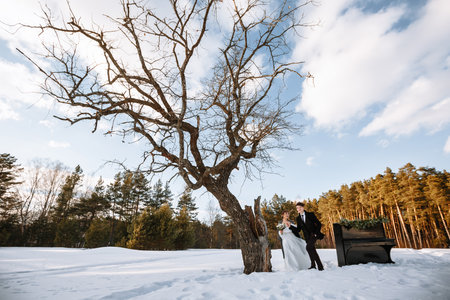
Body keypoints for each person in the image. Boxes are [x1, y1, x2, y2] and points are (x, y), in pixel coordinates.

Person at [287, 202, 325, 271]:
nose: (298, 209)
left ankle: (319, 266)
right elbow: (298, 230)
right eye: (297, 208)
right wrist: (290, 227)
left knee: (308, 247)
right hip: (307, 237)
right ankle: (315, 266)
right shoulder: (298, 218)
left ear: (303, 208)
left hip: (314, 234)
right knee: (312, 250)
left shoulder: (310, 214)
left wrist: (316, 233)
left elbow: (319, 224)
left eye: (300, 207)